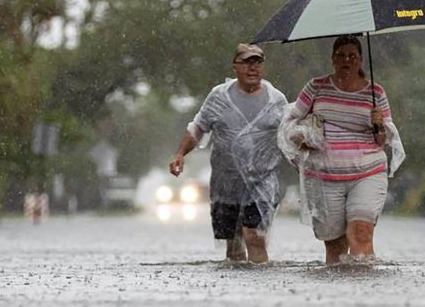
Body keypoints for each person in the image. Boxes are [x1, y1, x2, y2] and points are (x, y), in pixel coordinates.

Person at [279, 35, 405, 264]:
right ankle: (338, 295)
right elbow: (289, 122)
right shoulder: (316, 87)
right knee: (335, 246)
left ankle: (365, 289)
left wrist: (379, 124)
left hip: (368, 171)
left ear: (360, 60)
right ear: (332, 59)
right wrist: (300, 137)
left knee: (360, 233)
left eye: (352, 56)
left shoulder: (376, 93)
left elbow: (382, 139)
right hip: (324, 175)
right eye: (341, 55)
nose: (347, 60)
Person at [169, 43, 288, 263]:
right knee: (233, 244)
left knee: (253, 236)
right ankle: (236, 290)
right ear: (235, 66)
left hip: (261, 182)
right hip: (226, 184)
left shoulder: (276, 100)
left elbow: (289, 135)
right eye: (247, 63)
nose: (253, 68)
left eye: (258, 63)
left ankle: (260, 285)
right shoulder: (219, 97)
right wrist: (180, 154)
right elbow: (198, 128)